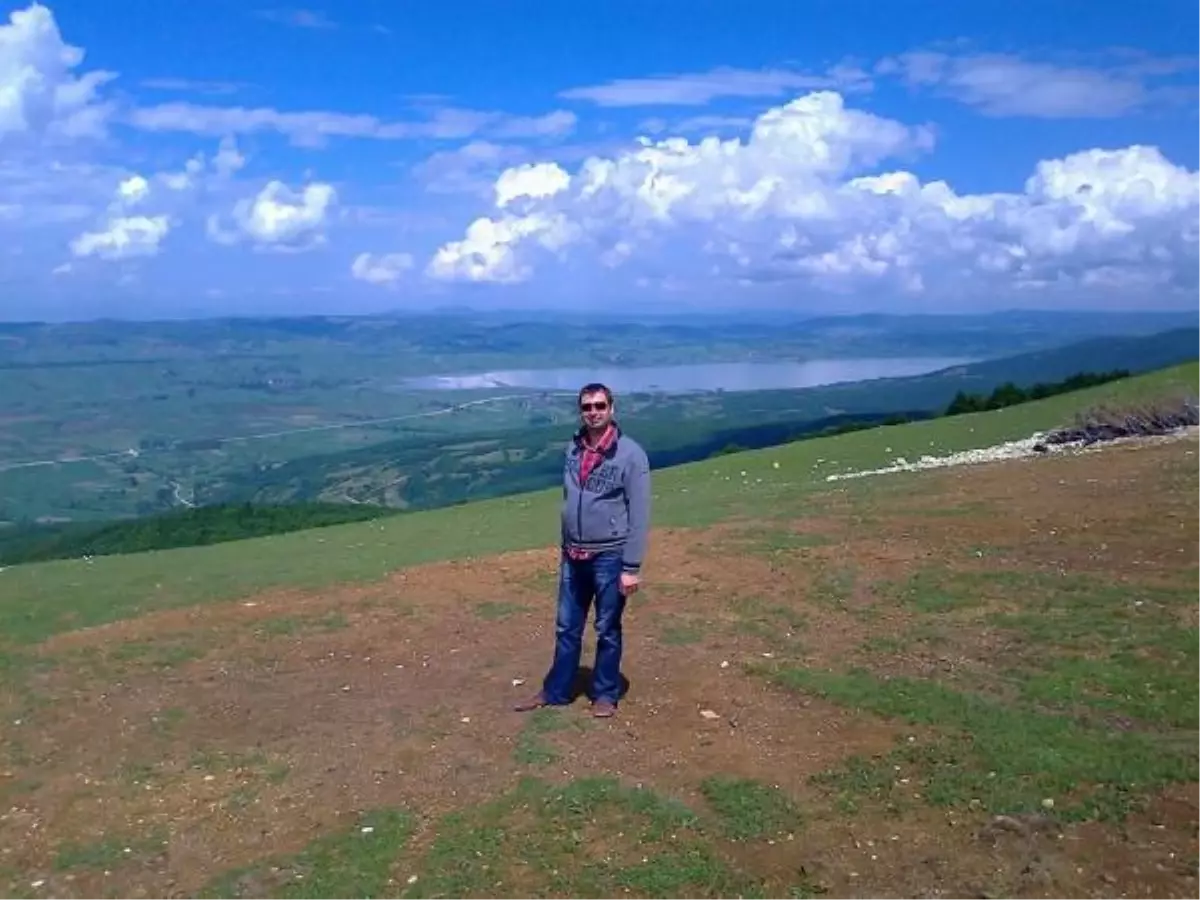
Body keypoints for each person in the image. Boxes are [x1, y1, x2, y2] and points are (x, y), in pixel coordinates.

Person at [514, 382, 652, 718]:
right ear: (581, 411)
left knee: (607, 627)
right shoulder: (573, 449)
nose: (594, 412)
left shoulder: (631, 454)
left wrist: (631, 567)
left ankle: (605, 693)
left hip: (610, 555)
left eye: (600, 406)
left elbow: (640, 513)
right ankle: (556, 690)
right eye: (587, 407)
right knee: (566, 627)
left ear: (611, 408)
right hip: (573, 555)